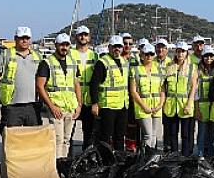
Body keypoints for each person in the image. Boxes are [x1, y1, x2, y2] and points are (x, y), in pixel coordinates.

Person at [0, 27, 42, 135]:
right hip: (12, 106)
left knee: (33, 138)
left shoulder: (38, 56)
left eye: (27, 38)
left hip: (33, 105)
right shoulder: (5, 55)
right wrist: (4, 89)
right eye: (21, 38)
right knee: (11, 138)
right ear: (15, 39)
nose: (24, 41)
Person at [37, 33, 81, 159]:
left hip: (70, 107)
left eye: (67, 45)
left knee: (67, 139)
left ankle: (64, 164)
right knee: (58, 140)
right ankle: (56, 167)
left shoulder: (72, 63)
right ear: (56, 45)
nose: (64, 47)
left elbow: (76, 84)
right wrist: (51, 107)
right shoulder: (47, 63)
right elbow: (40, 86)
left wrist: (79, 105)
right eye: (62, 44)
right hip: (56, 108)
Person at [90, 35, 129, 163]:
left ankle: (119, 161)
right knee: (105, 137)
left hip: (122, 106)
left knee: (120, 137)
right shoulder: (103, 62)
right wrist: (95, 103)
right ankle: (105, 162)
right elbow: (94, 84)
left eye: (119, 47)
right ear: (109, 47)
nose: (117, 49)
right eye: (114, 47)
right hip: (108, 106)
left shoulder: (124, 62)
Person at [163, 42, 198, 154]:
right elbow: (164, 86)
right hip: (171, 105)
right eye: (178, 51)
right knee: (172, 133)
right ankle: (173, 155)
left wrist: (189, 104)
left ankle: (185, 156)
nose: (180, 54)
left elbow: (193, 87)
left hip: (185, 105)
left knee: (185, 134)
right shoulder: (169, 67)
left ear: (186, 53)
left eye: (182, 51)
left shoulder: (192, 67)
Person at [129, 44, 165, 149]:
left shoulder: (159, 70)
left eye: (151, 54)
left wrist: (160, 105)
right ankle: (145, 159)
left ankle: (151, 159)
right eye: (146, 54)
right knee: (147, 135)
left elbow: (162, 89)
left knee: (153, 135)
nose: (149, 56)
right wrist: (144, 106)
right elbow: (133, 91)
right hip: (142, 108)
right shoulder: (135, 70)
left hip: (156, 107)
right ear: (142, 55)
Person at [70, 25, 99, 150]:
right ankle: (67, 157)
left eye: (85, 35)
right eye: (81, 35)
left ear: (89, 37)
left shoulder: (94, 55)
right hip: (72, 99)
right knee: (68, 133)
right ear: (76, 37)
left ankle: (85, 157)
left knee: (89, 133)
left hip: (88, 99)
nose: (83, 37)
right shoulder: (70, 54)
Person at [195, 45, 214, 157]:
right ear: (202, 57)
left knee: (212, 134)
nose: (208, 58)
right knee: (202, 134)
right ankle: (200, 156)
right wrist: (197, 109)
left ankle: (210, 156)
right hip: (202, 107)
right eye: (206, 56)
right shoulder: (198, 71)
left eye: (211, 56)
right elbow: (196, 91)